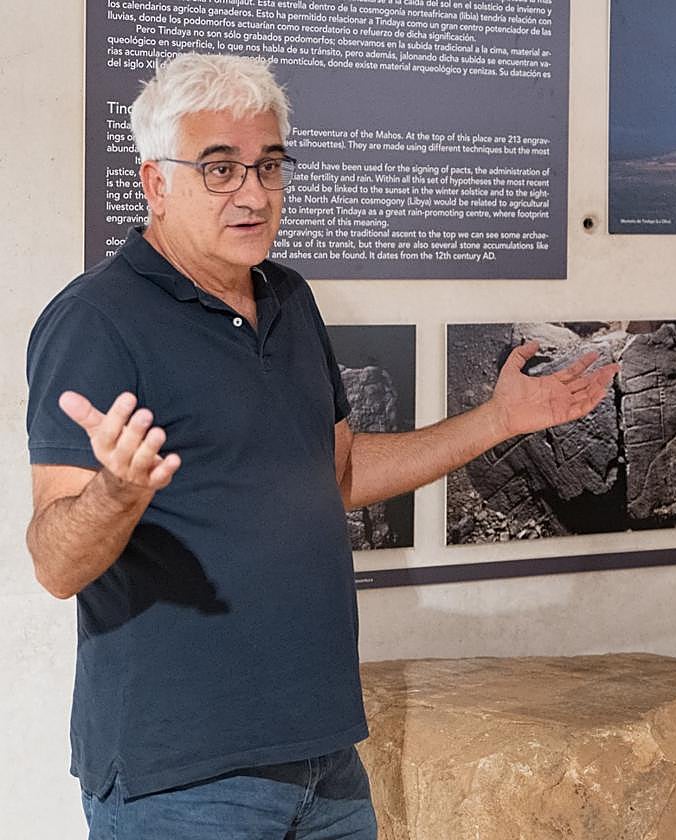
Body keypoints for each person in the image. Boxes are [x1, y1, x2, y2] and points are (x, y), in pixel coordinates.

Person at [25, 53, 616, 839]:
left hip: (324, 761)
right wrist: (117, 493)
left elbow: (336, 474)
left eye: (269, 166)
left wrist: (499, 420)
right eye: (220, 168)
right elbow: (56, 564)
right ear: (155, 183)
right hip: (181, 780)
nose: (254, 193)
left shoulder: (289, 298)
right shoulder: (96, 321)